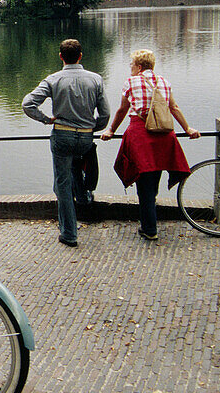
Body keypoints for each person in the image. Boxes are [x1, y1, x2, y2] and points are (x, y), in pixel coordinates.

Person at [100, 49, 200, 241]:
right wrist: (187, 128)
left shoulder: (131, 82)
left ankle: (150, 229)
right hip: (164, 135)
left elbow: (122, 109)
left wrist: (111, 130)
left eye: (131, 65)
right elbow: (173, 107)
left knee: (143, 181)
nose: (130, 68)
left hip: (141, 135)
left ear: (138, 66)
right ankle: (149, 220)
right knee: (154, 178)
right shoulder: (164, 82)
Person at [23, 39, 110, 247]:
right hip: (86, 138)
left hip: (62, 135)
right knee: (77, 167)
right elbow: (105, 114)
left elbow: (28, 104)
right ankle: (83, 198)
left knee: (62, 184)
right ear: (80, 56)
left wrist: (46, 119)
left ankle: (69, 233)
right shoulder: (95, 79)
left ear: (61, 57)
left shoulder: (53, 79)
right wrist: (92, 128)